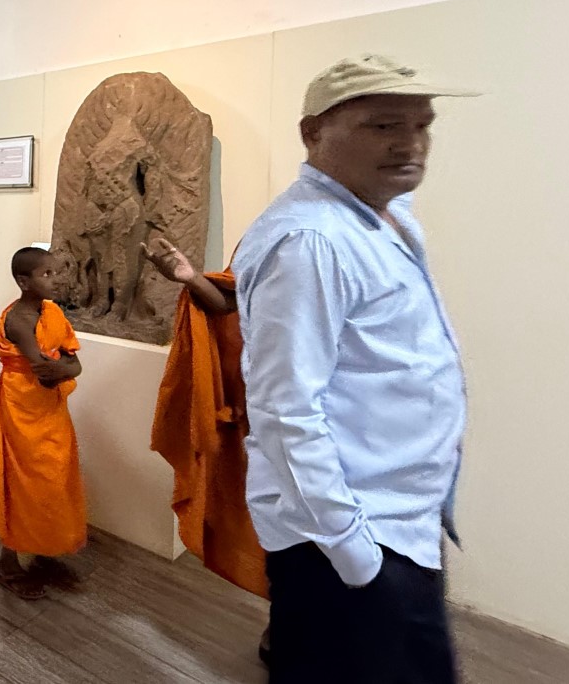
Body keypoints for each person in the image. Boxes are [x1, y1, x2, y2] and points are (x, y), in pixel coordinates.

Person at [234, 54, 472, 684]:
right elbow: (285, 409)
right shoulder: (311, 240)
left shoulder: (388, 216)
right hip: (349, 536)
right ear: (312, 133)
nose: (409, 144)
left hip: (395, 520)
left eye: (421, 125)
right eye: (383, 125)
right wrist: (355, 555)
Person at [143, 235, 271, 664]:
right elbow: (231, 302)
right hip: (273, 412)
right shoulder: (276, 233)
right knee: (277, 528)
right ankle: (288, 622)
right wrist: (190, 277)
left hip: (342, 414)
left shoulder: (376, 241)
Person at [0, 247, 84, 600]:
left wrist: (67, 368)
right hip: (23, 407)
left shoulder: (51, 311)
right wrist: (67, 368)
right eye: (46, 274)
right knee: (23, 479)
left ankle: (43, 544)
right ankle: (6, 564)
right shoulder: (19, 321)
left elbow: (71, 361)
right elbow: (45, 371)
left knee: (55, 474)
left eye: (55, 273)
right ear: (24, 282)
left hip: (49, 409)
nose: (55, 280)